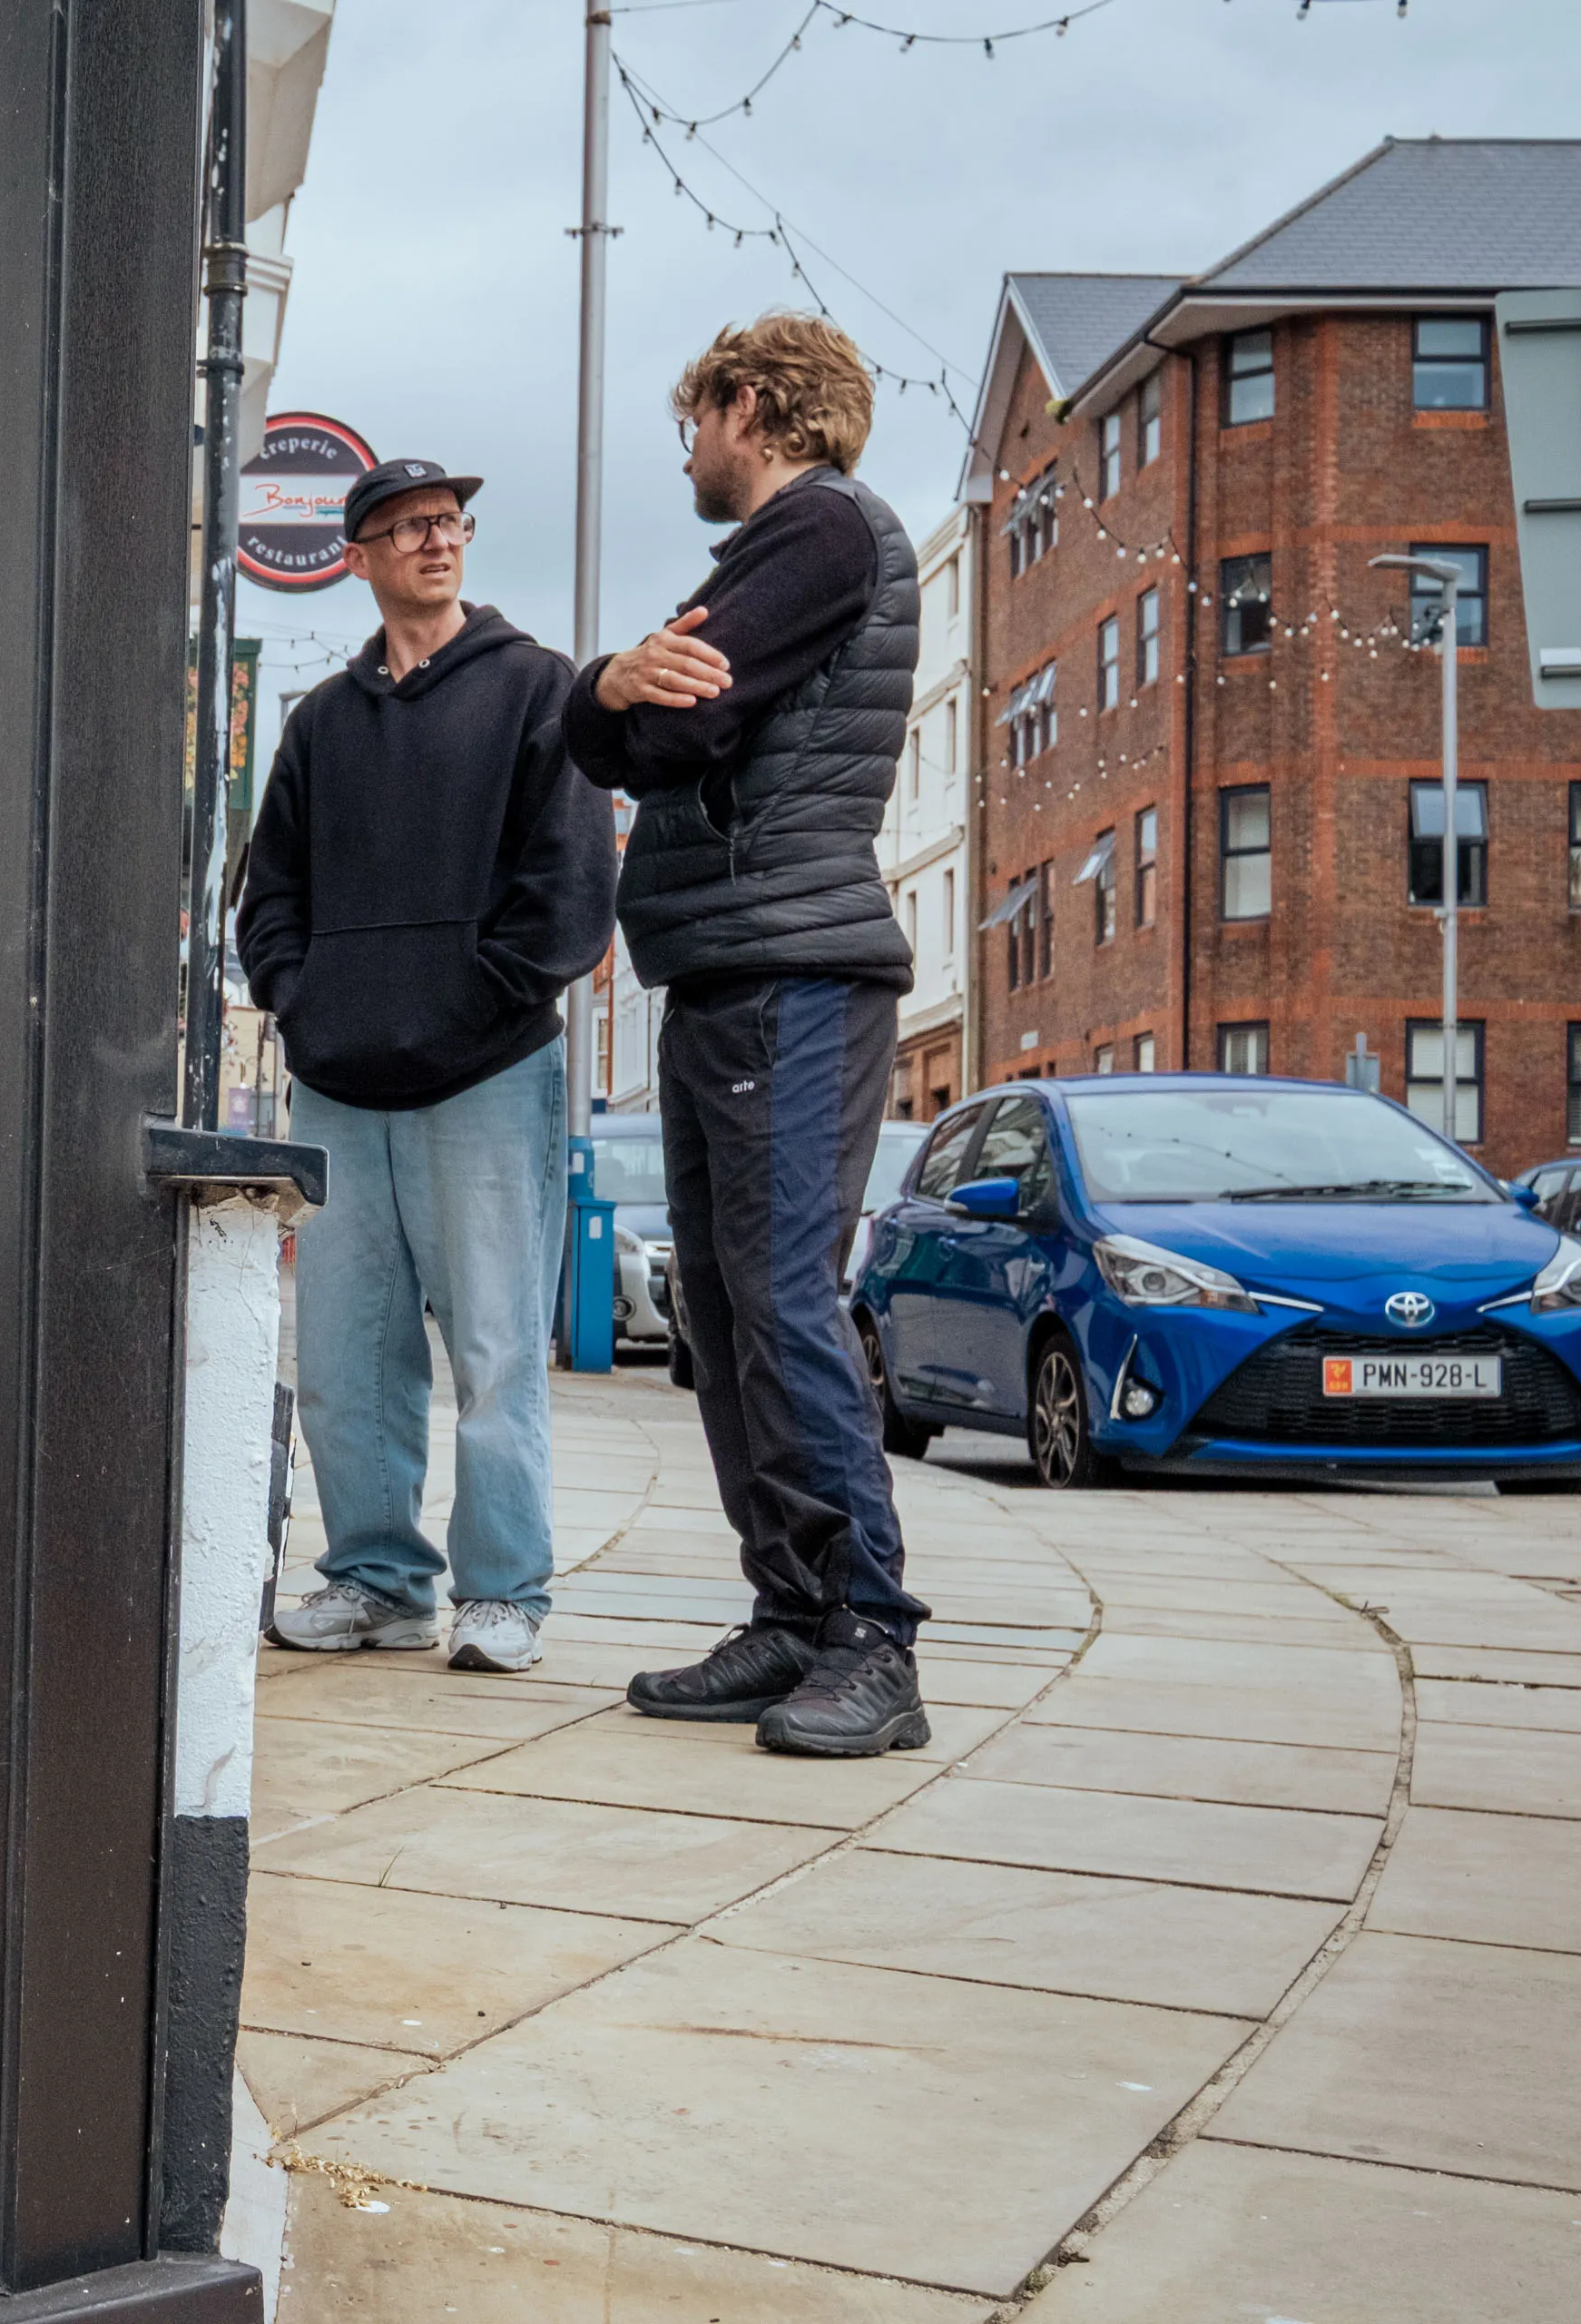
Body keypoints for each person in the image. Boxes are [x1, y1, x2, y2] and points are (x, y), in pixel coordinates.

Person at [559, 313, 930, 1757]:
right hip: (725, 966)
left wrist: (623, 699)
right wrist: (608, 686)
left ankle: (871, 1637)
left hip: (792, 967)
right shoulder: (787, 554)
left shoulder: (822, 530)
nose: (693, 454)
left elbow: (680, 735)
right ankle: (789, 1614)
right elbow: (616, 730)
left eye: (694, 423)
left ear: (751, 403)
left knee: (779, 1301)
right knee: (719, 1318)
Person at [241, 458, 616, 1672]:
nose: (436, 542)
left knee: (499, 1349)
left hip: (487, 1079)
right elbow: (269, 896)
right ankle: (378, 1580)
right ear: (358, 557)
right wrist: (307, 1007)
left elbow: (568, 891)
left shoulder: (533, 691)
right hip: (341, 1083)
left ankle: (503, 1594)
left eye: (449, 523)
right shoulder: (320, 723)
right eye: (406, 529)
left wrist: (469, 1006)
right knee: (348, 1355)